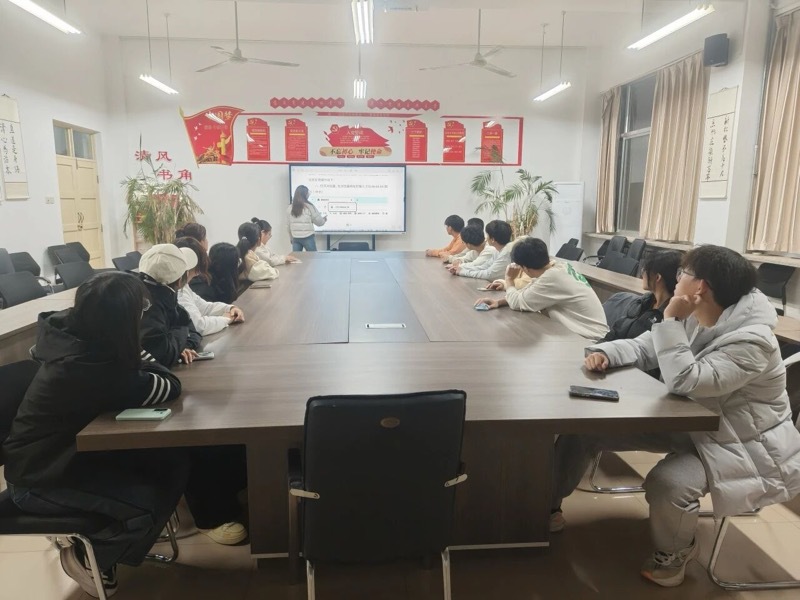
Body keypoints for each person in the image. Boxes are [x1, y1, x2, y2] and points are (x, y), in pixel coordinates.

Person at [553, 245, 800, 588]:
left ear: (701, 286)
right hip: (692, 426)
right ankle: (547, 507)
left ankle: (676, 550)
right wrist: (605, 353)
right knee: (583, 431)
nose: (677, 278)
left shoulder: (753, 341)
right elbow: (645, 347)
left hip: (738, 443)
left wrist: (669, 320)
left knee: (669, 483)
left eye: (683, 273)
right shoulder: (700, 314)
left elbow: (687, 381)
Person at [3, 272, 189, 598]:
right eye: (140, 310)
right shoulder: (89, 366)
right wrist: (138, 351)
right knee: (146, 506)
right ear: (121, 322)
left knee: (172, 464)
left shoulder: (79, 337)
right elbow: (168, 385)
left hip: (64, 460)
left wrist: (133, 352)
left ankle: (107, 538)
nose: (143, 316)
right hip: (40, 479)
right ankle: (91, 558)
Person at [474, 237, 608, 340]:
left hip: (588, 340)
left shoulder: (551, 278)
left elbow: (517, 302)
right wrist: (499, 302)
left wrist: (509, 279)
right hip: (584, 334)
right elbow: (528, 293)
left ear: (525, 268)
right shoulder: (558, 267)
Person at [138, 244, 202, 367]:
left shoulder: (166, 295)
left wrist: (181, 348)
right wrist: (178, 345)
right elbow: (164, 355)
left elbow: (193, 332)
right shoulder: (147, 304)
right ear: (179, 280)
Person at [601, 251, 682, 342]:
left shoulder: (668, 317)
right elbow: (618, 330)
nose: (642, 275)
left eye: (644, 270)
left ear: (657, 277)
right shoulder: (644, 301)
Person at [175, 237, 245, 336]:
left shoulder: (184, 287)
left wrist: (230, 308)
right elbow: (199, 326)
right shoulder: (178, 292)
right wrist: (226, 319)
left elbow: (205, 307)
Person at [287, 185, 326, 252]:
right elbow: (319, 222)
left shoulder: (290, 208)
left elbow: (288, 225)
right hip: (308, 237)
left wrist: (291, 237)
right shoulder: (309, 207)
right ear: (305, 195)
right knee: (313, 257)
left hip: (295, 237)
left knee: (296, 257)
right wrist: (324, 220)